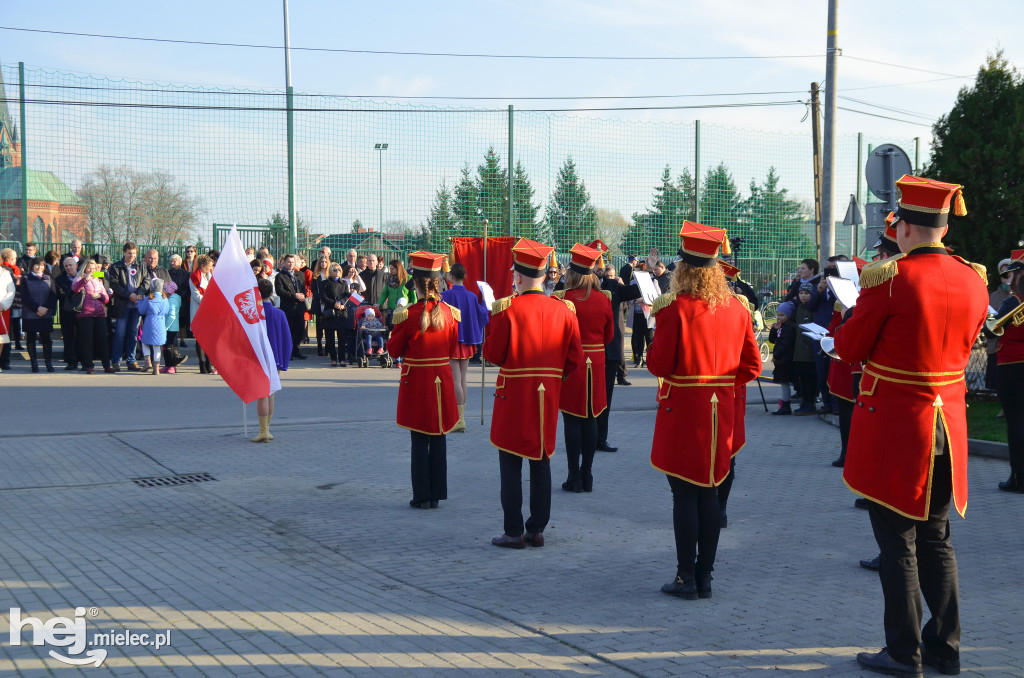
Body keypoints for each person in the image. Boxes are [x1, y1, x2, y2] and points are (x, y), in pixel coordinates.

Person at [833, 175, 988, 677]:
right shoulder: (974, 277)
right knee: (937, 539)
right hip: (949, 423)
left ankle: (903, 653)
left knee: (898, 543)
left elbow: (851, 349)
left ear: (902, 226)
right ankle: (945, 648)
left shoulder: (890, 277)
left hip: (899, 426)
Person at [647, 222, 761, 601]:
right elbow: (753, 366)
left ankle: (685, 578)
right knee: (710, 493)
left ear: (683, 269)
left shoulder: (674, 309)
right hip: (721, 409)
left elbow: (659, 365)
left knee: (684, 495)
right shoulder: (738, 309)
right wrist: (722, 384)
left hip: (684, 409)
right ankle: (706, 577)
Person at [485, 238, 583, 548]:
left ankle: (513, 531)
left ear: (518, 276)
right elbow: (575, 358)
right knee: (541, 461)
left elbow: (493, 354)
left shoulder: (508, 308)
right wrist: (554, 377)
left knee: (511, 464)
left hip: (513, 395)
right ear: (544, 276)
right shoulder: (564, 310)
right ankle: (537, 529)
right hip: (547, 396)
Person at [386, 251, 461, 509]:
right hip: (441, 379)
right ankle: (437, 494)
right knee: (439, 436)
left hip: (416, 381)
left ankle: (421, 495)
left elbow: (393, 351)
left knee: (419, 439)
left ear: (416, 284)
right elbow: (452, 349)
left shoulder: (407, 315)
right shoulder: (451, 314)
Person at [551, 244, 614, 493]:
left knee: (571, 418)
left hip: (572, 361)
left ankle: (573, 475)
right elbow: (609, 336)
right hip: (596, 362)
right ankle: (587, 476)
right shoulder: (603, 299)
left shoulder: (563, 299)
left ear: (573, 274)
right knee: (591, 418)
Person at [597, 263, 642, 451]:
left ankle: (601, 439)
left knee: (605, 401)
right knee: (585, 402)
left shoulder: (614, 286)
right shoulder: (580, 287)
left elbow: (636, 290)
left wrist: (644, 272)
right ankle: (586, 440)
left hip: (611, 352)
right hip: (588, 354)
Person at [441, 263, 489, 433]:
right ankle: (461, 417)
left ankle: (458, 419)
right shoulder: (471, 296)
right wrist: (485, 299)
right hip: (467, 339)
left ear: (452, 277)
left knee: (455, 379)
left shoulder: (445, 295)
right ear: (464, 277)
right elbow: (482, 314)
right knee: (463, 378)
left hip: (453, 340)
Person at [994, 250, 1024, 493]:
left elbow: (992, 329)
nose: (1009, 277)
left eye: (1012, 272)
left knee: (1016, 423)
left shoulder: (1012, 302)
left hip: (1012, 367)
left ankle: (1018, 478)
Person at [251, 278, 292, 443]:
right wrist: (283, 360)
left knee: (262, 394)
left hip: (259, 358)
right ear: (271, 293)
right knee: (271, 392)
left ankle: (263, 431)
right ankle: (267, 428)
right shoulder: (279, 313)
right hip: (275, 358)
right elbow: (287, 340)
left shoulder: (254, 314)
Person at [108, 242, 149, 371]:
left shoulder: (141, 265)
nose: (132, 256)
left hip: (137, 306)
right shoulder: (116, 267)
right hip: (122, 305)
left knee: (133, 334)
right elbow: (114, 284)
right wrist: (128, 295)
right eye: (129, 253)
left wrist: (138, 293)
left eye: (134, 253)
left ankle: (131, 361)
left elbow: (146, 281)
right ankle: (116, 361)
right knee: (120, 334)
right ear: (124, 252)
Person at [71, 258, 112, 374]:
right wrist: (85, 279)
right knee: (87, 341)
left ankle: (106, 365)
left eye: (94, 268)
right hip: (85, 314)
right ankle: (88, 365)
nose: (91, 270)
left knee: (103, 340)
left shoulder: (98, 280)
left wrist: (100, 296)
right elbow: (75, 288)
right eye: (89, 268)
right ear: (85, 268)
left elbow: (106, 299)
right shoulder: (79, 278)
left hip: (99, 314)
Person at [20, 257, 58, 373]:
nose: (39, 267)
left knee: (46, 339)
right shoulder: (25, 279)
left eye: (41, 265)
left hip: (45, 314)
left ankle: (48, 363)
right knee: (31, 339)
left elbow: (53, 295)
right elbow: (25, 296)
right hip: (30, 314)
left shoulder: (48, 278)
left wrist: (45, 308)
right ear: (32, 266)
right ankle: (34, 363)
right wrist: (37, 308)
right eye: (37, 265)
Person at [791, 282, 818, 415]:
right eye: (801, 293)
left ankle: (810, 403)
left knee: (809, 379)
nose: (803, 296)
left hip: (809, 352)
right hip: (799, 351)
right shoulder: (799, 309)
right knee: (801, 378)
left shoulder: (812, 309)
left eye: (806, 293)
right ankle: (805, 402)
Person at [274, 254, 308, 361]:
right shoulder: (280, 276)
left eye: (293, 262)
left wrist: (303, 295)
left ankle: (296, 350)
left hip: (299, 307)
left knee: (300, 330)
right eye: (289, 262)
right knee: (289, 331)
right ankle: (288, 352)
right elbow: (280, 291)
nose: (291, 264)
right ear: (284, 263)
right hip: (288, 307)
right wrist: (294, 295)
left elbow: (303, 288)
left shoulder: (300, 275)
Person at [318, 263, 350, 367]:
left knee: (341, 337)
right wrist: (333, 303)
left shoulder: (344, 283)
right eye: (335, 270)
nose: (337, 272)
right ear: (331, 271)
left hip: (341, 312)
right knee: (330, 337)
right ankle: (333, 358)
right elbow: (323, 296)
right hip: (330, 312)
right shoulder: (325, 283)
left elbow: (346, 295)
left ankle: (342, 359)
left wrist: (341, 303)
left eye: (339, 270)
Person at [137, 278, 169, 375]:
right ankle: (156, 368)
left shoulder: (148, 298)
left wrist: (139, 301)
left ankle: (147, 362)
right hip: (161, 323)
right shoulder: (165, 299)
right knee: (157, 346)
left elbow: (141, 311)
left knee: (144, 342)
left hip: (150, 323)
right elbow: (167, 311)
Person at [53, 256, 80, 370]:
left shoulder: (83, 275)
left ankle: (84, 361)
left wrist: (99, 271)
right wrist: (76, 290)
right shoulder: (59, 279)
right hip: (67, 312)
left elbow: (102, 274)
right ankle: (71, 362)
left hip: (81, 311)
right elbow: (60, 293)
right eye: (66, 266)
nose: (69, 268)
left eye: (71, 265)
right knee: (68, 338)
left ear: (76, 266)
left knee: (81, 337)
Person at [190, 255, 214, 374]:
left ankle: (209, 362)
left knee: (209, 339)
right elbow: (196, 296)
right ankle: (202, 363)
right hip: (199, 310)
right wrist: (209, 299)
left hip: (209, 311)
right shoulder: (194, 277)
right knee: (200, 339)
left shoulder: (209, 276)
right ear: (203, 266)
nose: (211, 269)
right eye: (209, 267)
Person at [1, 248, 23, 353]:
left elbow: (13, 287)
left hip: (10, 303)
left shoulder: (9, 271)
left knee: (9, 329)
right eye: (14, 258)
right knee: (9, 328)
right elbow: (15, 284)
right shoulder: (9, 270)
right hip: (11, 302)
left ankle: (5, 358)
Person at [309, 255, 331, 356]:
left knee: (327, 326)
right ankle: (319, 346)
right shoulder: (316, 275)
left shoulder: (330, 274)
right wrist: (320, 297)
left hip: (327, 303)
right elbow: (313, 288)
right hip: (318, 303)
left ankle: (327, 347)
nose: (323, 264)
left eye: (325, 262)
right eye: (322, 262)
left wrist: (326, 299)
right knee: (319, 326)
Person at [0, 262, 14, 372]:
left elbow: (11, 291)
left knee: (2, 338)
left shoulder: (5, 274)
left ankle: (3, 361)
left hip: (2, 310)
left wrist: (3, 305)